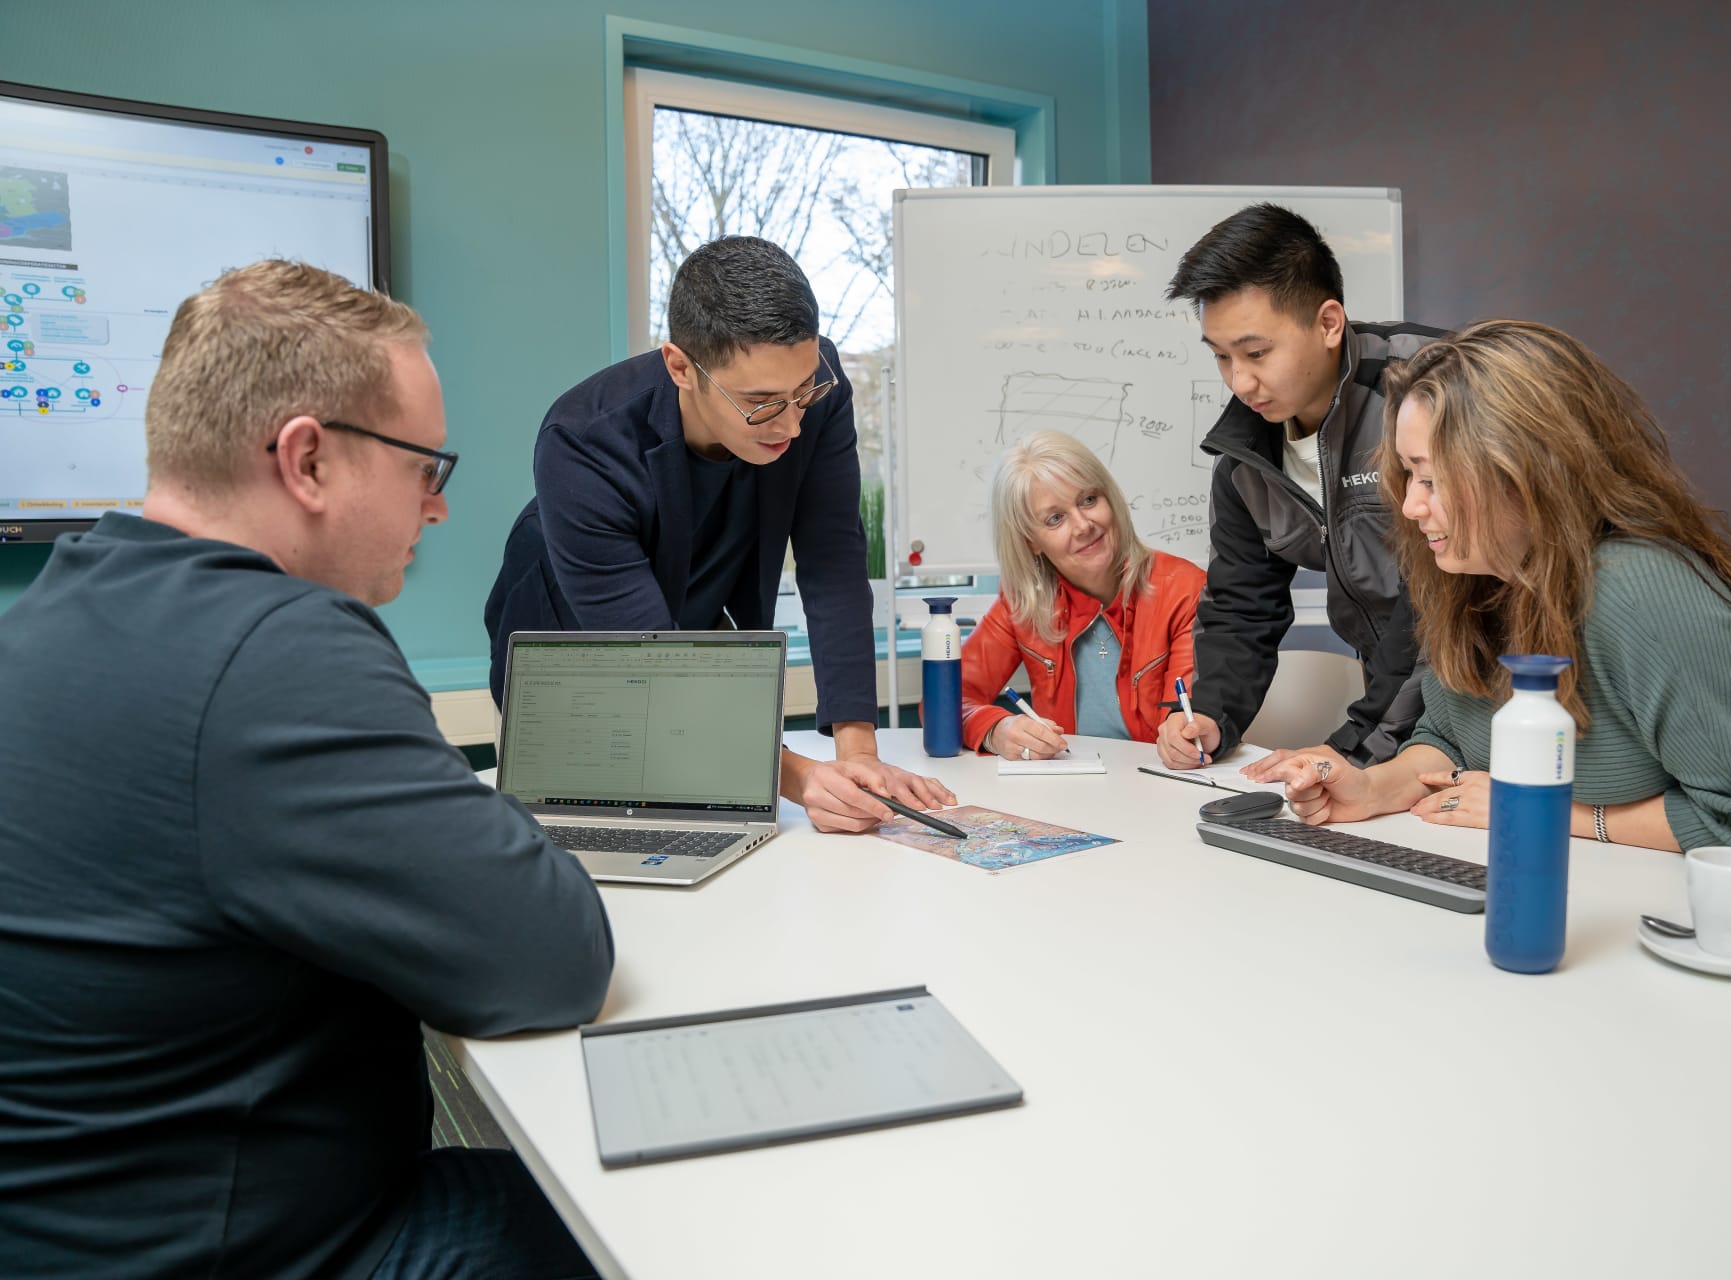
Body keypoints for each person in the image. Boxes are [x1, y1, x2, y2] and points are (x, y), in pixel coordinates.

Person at [0, 260, 615, 1278]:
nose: (439, 508)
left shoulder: (59, 612)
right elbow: (552, 957)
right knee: (656, 1219)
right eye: (427, 466)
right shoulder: (277, 645)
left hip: (83, 1223)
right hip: (251, 1251)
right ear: (308, 459)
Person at [1274, 319, 1731, 866]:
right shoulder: (1475, 578)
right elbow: (1449, 741)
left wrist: (1539, 813)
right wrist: (1371, 789)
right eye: (1407, 475)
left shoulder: (1641, 595)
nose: (1409, 506)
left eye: (1431, 478)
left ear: (1526, 471)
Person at [485, 235, 953, 833]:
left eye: (801, 392)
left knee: (724, 824)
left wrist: (858, 754)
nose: (790, 424)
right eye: (760, 404)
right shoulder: (582, 441)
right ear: (681, 366)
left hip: (693, 622)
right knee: (600, 837)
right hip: (576, 646)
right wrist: (802, 779)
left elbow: (832, 560)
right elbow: (650, 661)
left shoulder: (816, 388)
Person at [1155, 202, 1449, 777]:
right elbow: (1243, 606)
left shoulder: (1430, 388)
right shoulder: (1244, 458)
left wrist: (1353, 746)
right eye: (1221, 357)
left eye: (1256, 353)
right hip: (1396, 700)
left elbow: (1438, 605)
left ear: (1328, 324)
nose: (1240, 382)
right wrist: (1212, 712)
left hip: (1493, 690)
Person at [956, 432, 1207, 759]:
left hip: (1157, 781)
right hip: (1066, 786)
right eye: (1055, 518)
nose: (1083, 525)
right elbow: (947, 701)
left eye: (1089, 500)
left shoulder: (1184, 588)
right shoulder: (1021, 602)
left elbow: (1187, 717)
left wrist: (1182, 737)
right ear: (1031, 541)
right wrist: (994, 730)